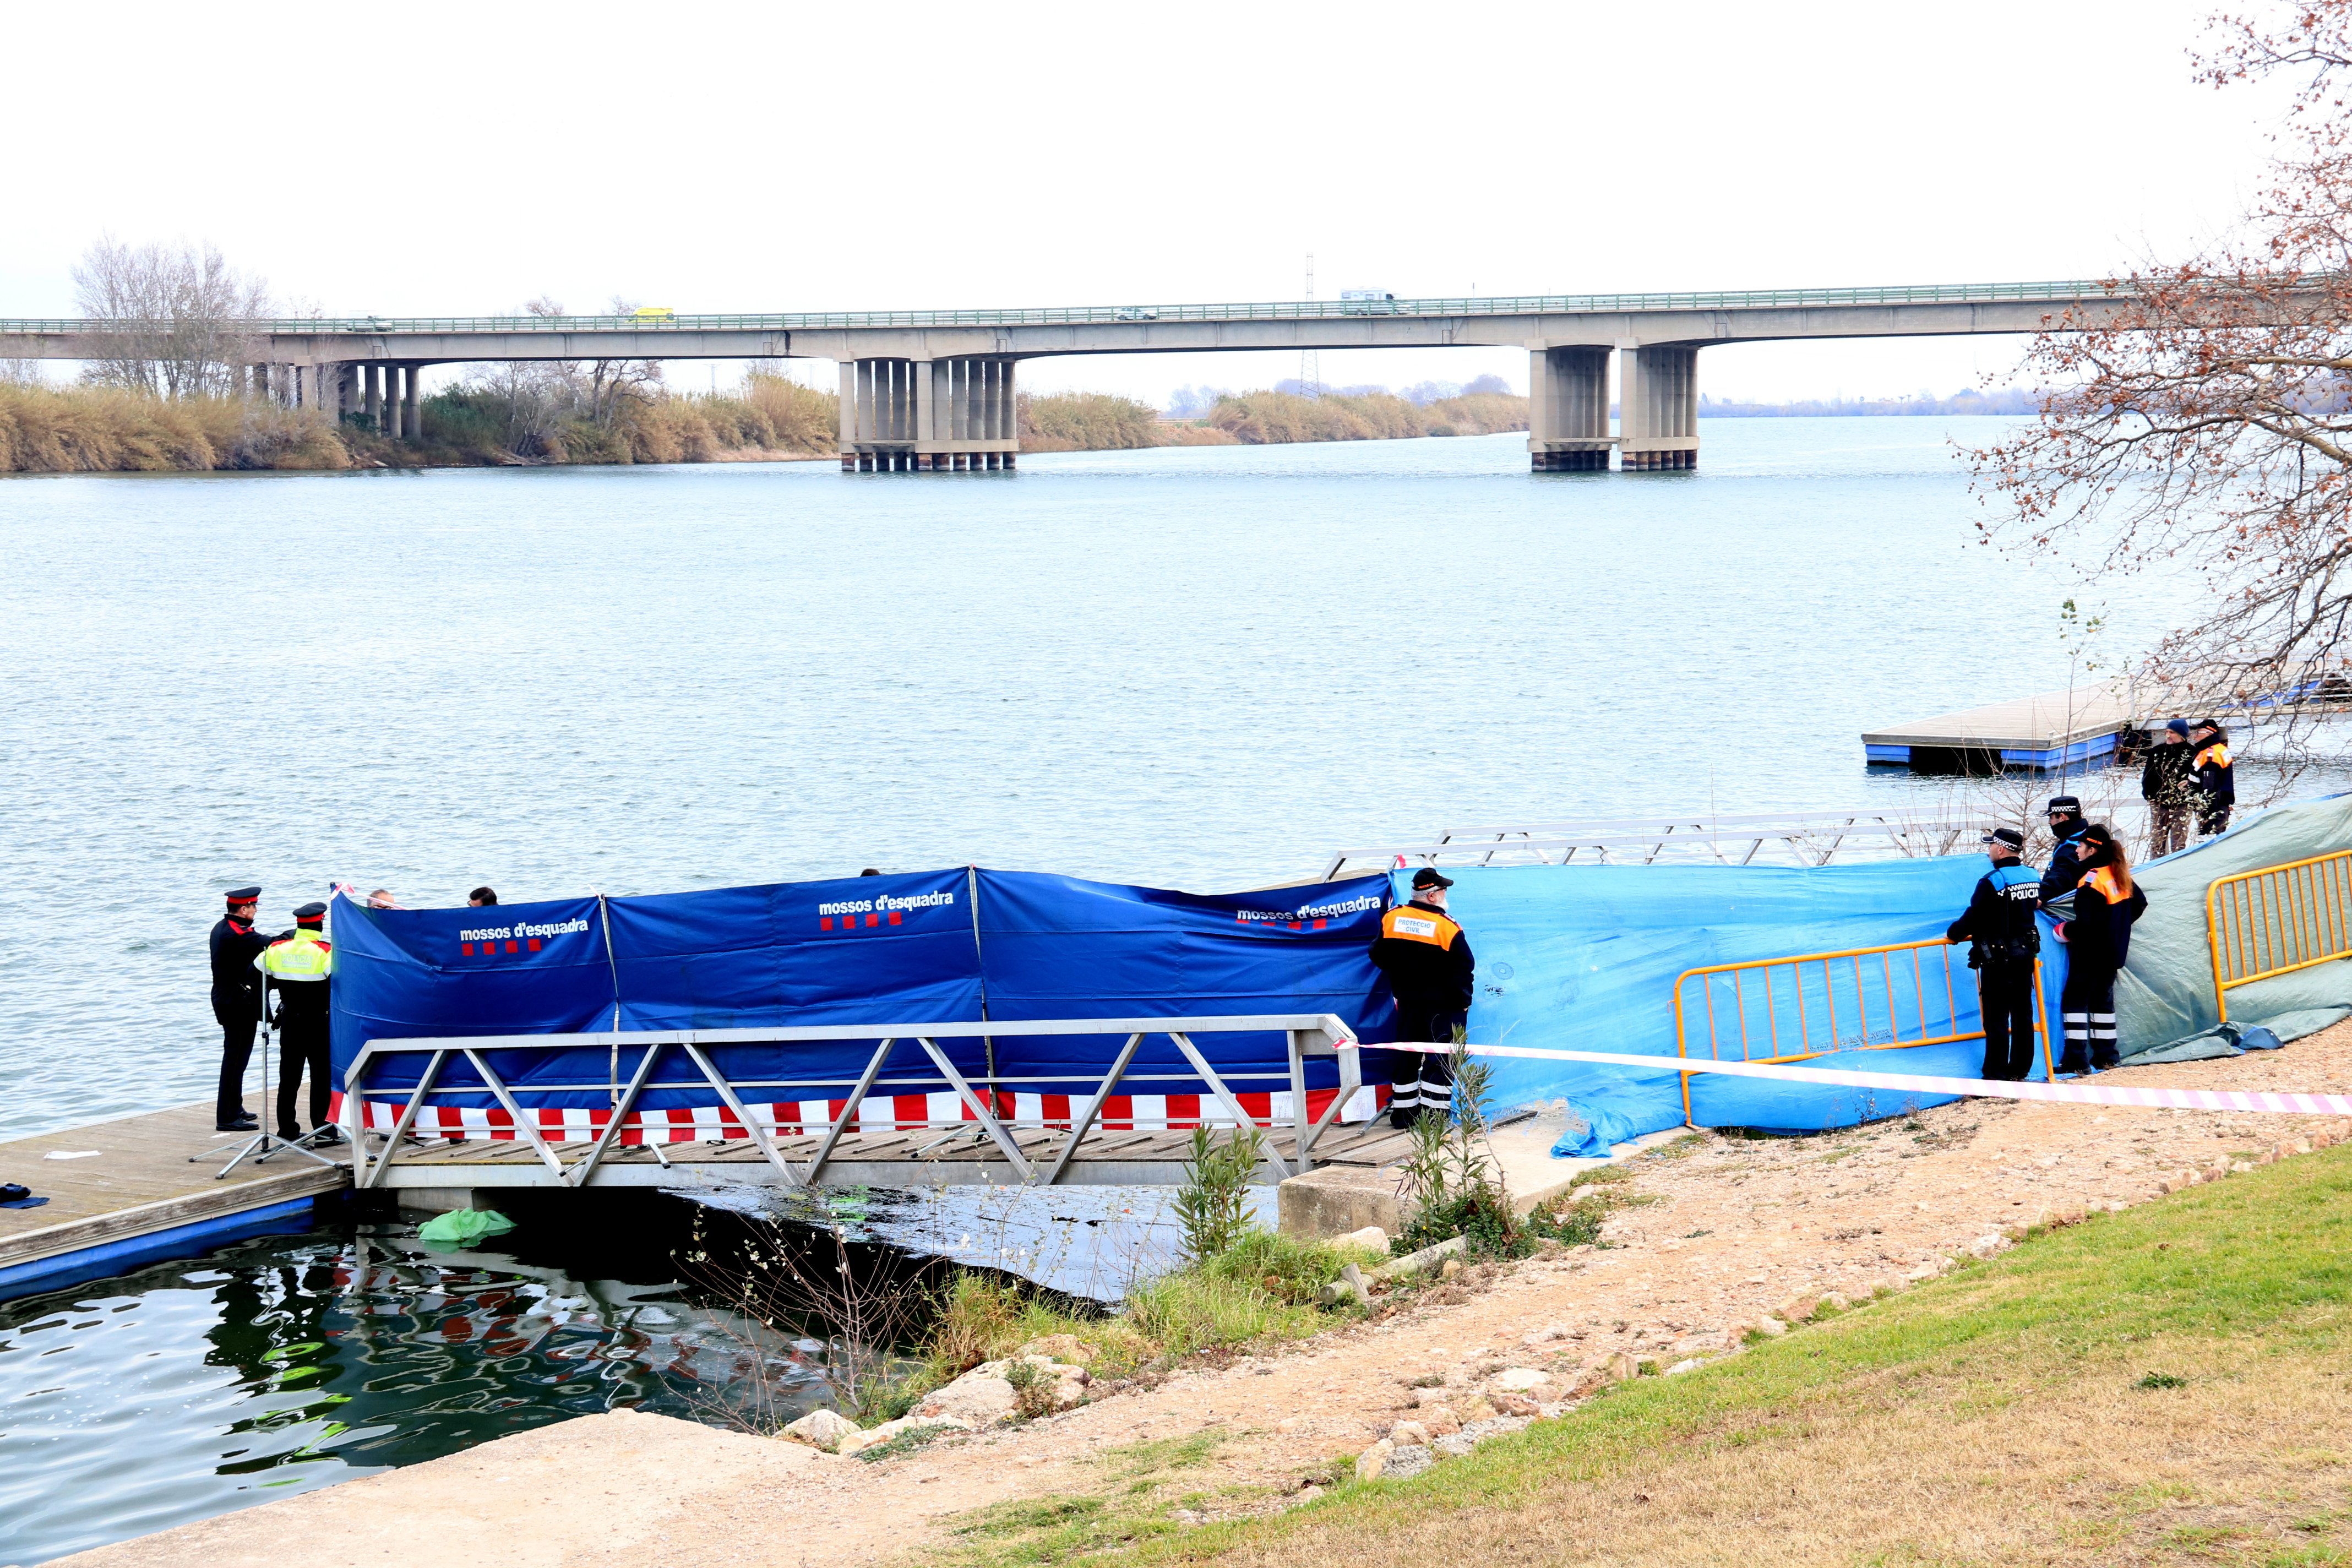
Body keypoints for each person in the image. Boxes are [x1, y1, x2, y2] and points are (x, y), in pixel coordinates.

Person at [1369, 869, 1475, 1129]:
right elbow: (1464, 968)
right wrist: (1464, 1001)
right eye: (1443, 891)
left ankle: (1403, 1117)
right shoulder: (1447, 928)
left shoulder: (1393, 919)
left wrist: (1403, 976)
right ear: (1431, 896)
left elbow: (1377, 955)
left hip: (1408, 1003)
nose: (1445, 895)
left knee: (1407, 1056)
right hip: (1445, 1006)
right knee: (1441, 1059)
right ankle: (1435, 1119)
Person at [1945, 828, 2044, 1081]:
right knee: (2023, 1014)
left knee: (1997, 1017)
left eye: (1991, 847)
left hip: (1999, 957)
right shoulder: (2032, 876)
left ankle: (1995, 1074)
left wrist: (1954, 934)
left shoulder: (1993, 880)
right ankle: (2020, 1069)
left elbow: (1974, 916)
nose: (1988, 851)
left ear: (2000, 849)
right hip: (2025, 954)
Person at [2054, 824, 2147, 1074]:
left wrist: (2063, 932)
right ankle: (2107, 1057)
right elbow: (2140, 903)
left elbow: (2085, 924)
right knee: (2103, 1004)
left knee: (2074, 1002)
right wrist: (2117, 927)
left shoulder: (2092, 880)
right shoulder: (2118, 875)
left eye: (2081, 846)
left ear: (2092, 850)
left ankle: (2076, 1059)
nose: (2076, 849)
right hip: (2112, 953)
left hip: (2089, 954)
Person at [259, 901, 339, 1144]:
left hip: (290, 1022)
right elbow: (342, 985)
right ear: (320, 922)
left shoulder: (277, 949)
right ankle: (323, 1132)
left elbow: (255, 976)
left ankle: (287, 1131)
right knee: (321, 1077)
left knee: (289, 1078)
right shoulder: (325, 951)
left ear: (298, 924)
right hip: (319, 1022)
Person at [208, 886, 268, 1131]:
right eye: (253, 906)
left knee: (238, 1057)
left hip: (231, 998)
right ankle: (227, 1116)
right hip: (235, 1002)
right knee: (235, 1058)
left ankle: (235, 1106)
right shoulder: (235, 934)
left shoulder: (225, 927)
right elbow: (269, 942)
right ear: (244, 909)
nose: (255, 910)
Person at [2142, 719, 2195, 860]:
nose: (2168, 735)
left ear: (2181, 735)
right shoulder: (2156, 752)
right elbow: (2147, 777)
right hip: (2159, 804)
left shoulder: (2192, 753)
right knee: (2157, 844)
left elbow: (2196, 779)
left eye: (2172, 732)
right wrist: (2151, 797)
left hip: (2182, 805)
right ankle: (2154, 871)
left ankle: (2176, 871)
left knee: (2179, 845)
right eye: (2167, 732)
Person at [2038, 795, 2094, 907]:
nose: (2050, 822)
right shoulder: (2090, 836)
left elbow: (2062, 876)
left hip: (2072, 908)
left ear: (2062, 817)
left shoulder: (2071, 846)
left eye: (2051, 817)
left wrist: (2041, 896)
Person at [2191, 718, 2236, 837]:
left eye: (2198, 733)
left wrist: (2207, 813)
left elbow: (2210, 787)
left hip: (2213, 808)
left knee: (2208, 842)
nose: (2195, 737)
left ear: (2209, 734)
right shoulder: (2219, 749)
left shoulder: (2210, 756)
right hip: (2220, 805)